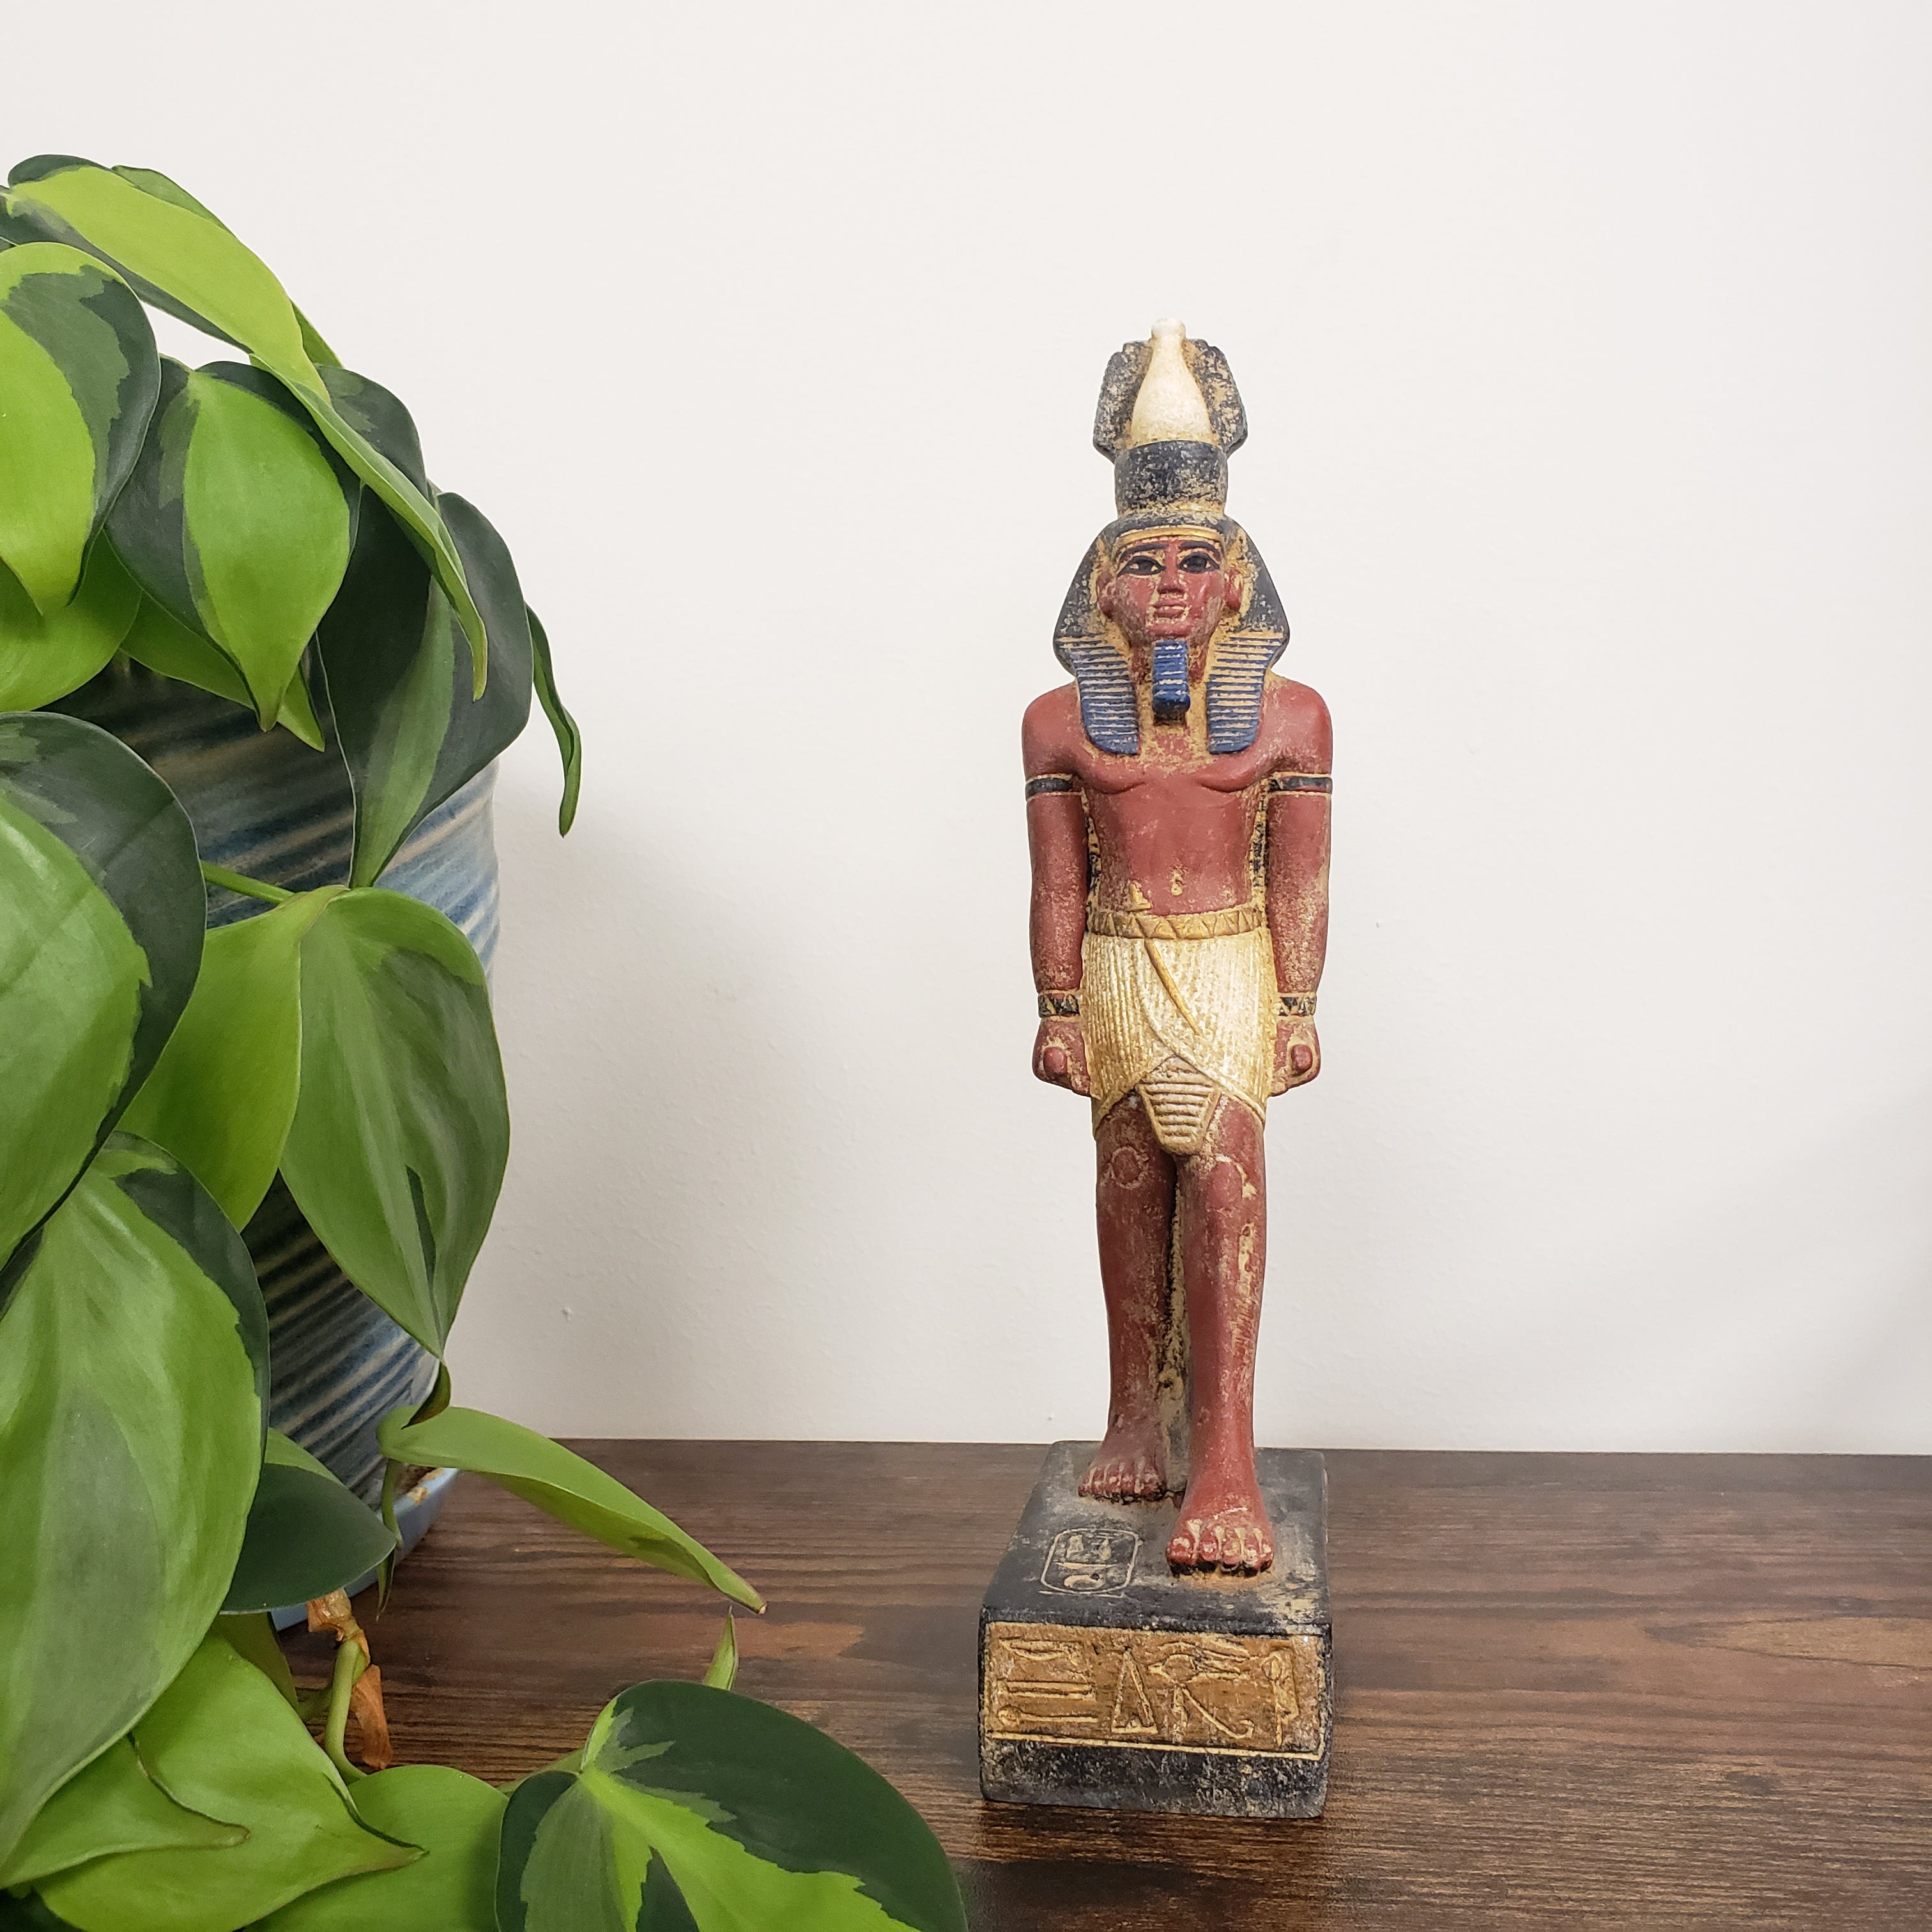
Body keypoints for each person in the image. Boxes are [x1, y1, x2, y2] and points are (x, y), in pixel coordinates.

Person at [1023, 321, 1331, 1575]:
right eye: (1140, 563)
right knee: (1130, 1182)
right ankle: (1134, 1419)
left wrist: (1300, 1006)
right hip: (1112, 962)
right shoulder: (1059, 725)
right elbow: (1057, 876)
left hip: (1228, 966)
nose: (1165, 589)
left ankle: (1230, 1463)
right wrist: (1054, 1005)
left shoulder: (1291, 719)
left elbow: (1302, 875)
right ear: (1098, 586)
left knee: (1224, 1183)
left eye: (1194, 562)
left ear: (1238, 585)